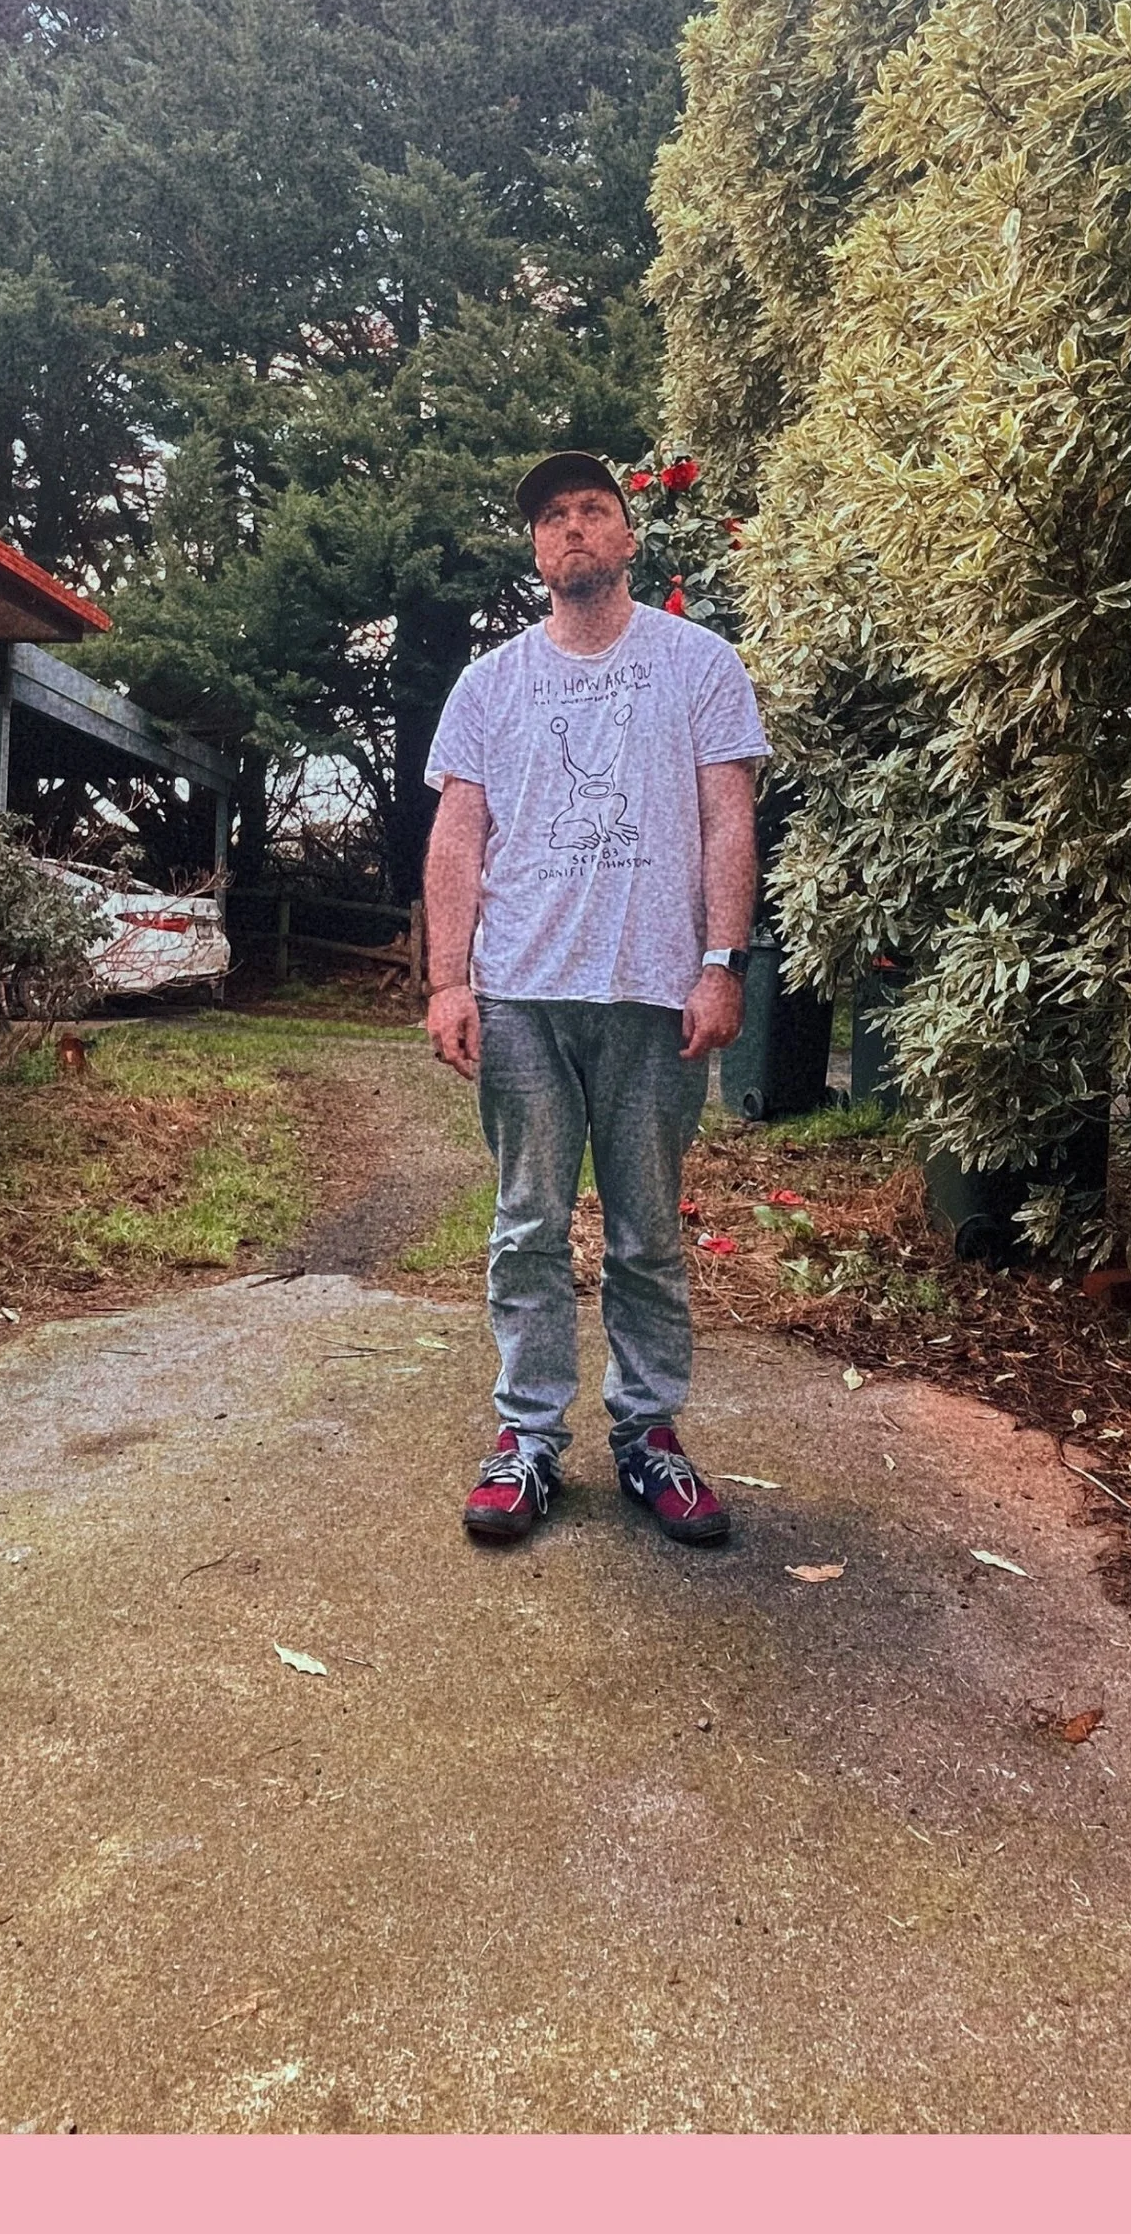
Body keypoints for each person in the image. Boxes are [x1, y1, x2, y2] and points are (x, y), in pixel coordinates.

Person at [423, 450, 766, 1547]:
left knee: (647, 1231)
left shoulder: (701, 665)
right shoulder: (489, 684)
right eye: (552, 518)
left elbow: (726, 820)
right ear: (536, 550)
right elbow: (458, 835)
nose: (572, 528)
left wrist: (720, 961)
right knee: (526, 1224)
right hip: (521, 993)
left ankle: (648, 1436)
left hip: (653, 997)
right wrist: (446, 976)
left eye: (592, 511)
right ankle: (525, 1441)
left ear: (626, 538)